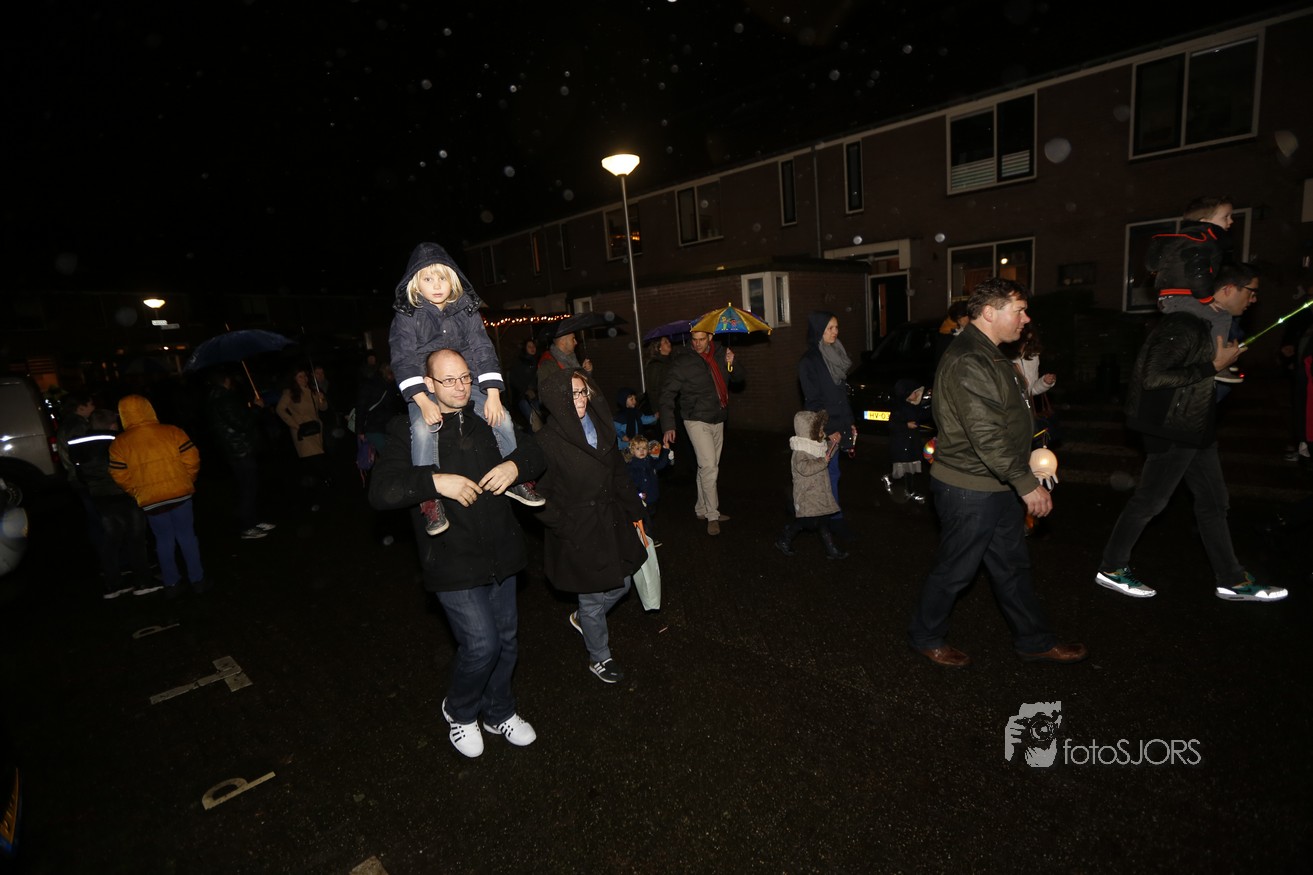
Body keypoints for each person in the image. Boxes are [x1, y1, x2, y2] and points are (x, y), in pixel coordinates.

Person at [368, 349, 546, 758]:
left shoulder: (488, 414)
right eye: (448, 380)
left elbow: (535, 451)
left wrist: (515, 468)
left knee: (507, 641)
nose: (461, 387)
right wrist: (436, 482)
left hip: (501, 551)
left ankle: (500, 711)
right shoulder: (407, 428)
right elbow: (381, 491)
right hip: (451, 558)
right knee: (482, 644)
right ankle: (461, 711)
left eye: (465, 377)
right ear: (428, 384)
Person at [907, 278, 1087, 668]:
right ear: (990, 312)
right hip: (971, 490)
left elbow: (1006, 420)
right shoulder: (970, 360)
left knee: (1012, 567)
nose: (1026, 318)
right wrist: (1026, 484)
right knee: (956, 571)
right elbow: (986, 435)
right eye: (1019, 310)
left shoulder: (989, 354)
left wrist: (1026, 461)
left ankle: (1034, 641)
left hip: (996, 483)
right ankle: (925, 636)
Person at [1095, 263, 1287, 602]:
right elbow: (1154, 377)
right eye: (1251, 291)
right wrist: (1213, 366)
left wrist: (1221, 369)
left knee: (1214, 502)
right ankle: (1111, 567)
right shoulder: (1183, 324)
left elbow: (1195, 372)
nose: (1254, 300)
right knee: (1151, 500)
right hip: (1172, 426)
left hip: (1197, 423)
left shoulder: (1209, 324)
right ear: (1228, 290)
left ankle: (1232, 579)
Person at [389, 242, 544, 538]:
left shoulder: (466, 310)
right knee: (422, 429)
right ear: (415, 283)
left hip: (466, 381)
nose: (437, 285)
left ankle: (515, 478)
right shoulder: (407, 316)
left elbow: (483, 349)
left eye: (442, 278)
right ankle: (429, 499)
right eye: (428, 279)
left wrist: (493, 394)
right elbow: (402, 359)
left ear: (453, 279)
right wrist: (422, 400)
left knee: (503, 419)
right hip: (426, 386)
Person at [536, 369, 647, 684]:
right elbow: (538, 495)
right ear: (557, 398)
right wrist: (565, 525)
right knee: (593, 599)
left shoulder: (602, 427)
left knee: (623, 584)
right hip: (579, 531)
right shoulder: (547, 441)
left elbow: (618, 475)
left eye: (583, 391)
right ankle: (599, 657)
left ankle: (583, 618)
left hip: (610, 522)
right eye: (572, 393)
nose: (580, 399)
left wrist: (636, 511)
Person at [109, 394, 207, 598]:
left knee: (163, 539)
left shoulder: (120, 443)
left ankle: (172, 583)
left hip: (151, 499)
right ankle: (197, 580)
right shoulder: (172, 431)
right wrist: (186, 479)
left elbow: (119, 475)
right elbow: (192, 458)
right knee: (187, 536)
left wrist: (137, 491)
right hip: (180, 494)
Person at [1147, 195, 1240, 385]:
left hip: (1171, 296)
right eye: (1226, 217)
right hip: (1182, 297)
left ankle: (1213, 352)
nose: (1231, 221)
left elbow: (1152, 265)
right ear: (1205, 221)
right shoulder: (1202, 241)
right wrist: (1206, 297)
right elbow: (1197, 271)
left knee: (1207, 321)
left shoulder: (1185, 240)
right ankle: (1218, 362)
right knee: (1221, 316)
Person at [66, 408, 158, 598]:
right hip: (124, 494)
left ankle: (113, 584)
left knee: (111, 538)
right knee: (136, 538)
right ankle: (143, 581)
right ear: (113, 425)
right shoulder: (118, 441)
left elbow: (78, 471)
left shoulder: (78, 444)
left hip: (99, 496)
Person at [659, 330, 742, 535]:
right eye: (694, 340)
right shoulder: (683, 361)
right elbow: (667, 393)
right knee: (709, 466)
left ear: (710, 337)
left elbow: (739, 379)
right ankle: (712, 515)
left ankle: (701, 508)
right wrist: (668, 425)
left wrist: (733, 363)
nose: (697, 344)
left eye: (701, 339)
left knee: (707, 466)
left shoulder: (721, 354)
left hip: (718, 417)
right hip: (695, 418)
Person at [797, 311, 857, 532]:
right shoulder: (809, 361)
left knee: (833, 473)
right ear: (818, 331)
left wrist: (850, 422)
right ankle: (832, 520)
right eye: (830, 328)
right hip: (824, 428)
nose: (835, 332)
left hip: (840, 423)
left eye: (836, 327)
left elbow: (841, 395)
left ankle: (828, 518)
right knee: (828, 473)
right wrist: (828, 429)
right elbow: (813, 401)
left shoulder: (835, 353)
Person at [207, 369, 276, 540]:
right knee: (248, 487)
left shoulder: (220, 398)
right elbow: (241, 423)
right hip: (239, 450)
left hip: (237, 449)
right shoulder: (223, 399)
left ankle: (253, 521)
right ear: (226, 380)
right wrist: (257, 408)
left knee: (249, 486)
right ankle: (247, 526)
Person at [774, 409, 848, 560]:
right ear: (808, 431)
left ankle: (832, 550)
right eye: (818, 429)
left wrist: (834, 444)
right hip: (807, 495)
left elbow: (826, 454)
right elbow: (805, 468)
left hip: (819, 493)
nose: (822, 432)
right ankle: (783, 540)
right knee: (803, 523)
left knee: (823, 524)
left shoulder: (816, 445)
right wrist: (823, 462)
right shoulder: (800, 451)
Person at [276, 367, 331, 510]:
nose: (304, 379)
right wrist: (294, 424)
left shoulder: (313, 391)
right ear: (294, 379)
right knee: (316, 461)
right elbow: (280, 409)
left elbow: (323, 408)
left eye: (305, 376)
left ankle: (318, 491)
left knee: (316, 461)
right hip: (303, 432)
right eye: (300, 376)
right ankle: (322, 487)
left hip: (315, 430)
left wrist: (322, 399)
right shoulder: (290, 393)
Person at [882, 379, 931, 504]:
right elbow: (892, 425)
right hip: (901, 444)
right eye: (914, 392)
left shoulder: (914, 406)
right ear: (907, 394)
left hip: (911, 444)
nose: (916, 395)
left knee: (909, 470)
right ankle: (892, 480)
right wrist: (906, 425)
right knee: (903, 470)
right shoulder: (898, 408)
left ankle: (909, 490)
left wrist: (934, 408)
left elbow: (923, 415)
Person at [354, 360, 403, 455]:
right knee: (387, 455)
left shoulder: (390, 385)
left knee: (387, 455)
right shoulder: (373, 384)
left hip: (384, 427)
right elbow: (361, 407)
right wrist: (360, 430)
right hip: (374, 427)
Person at [623, 438, 670, 534]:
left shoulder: (650, 460)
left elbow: (660, 465)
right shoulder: (631, 466)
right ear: (632, 451)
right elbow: (629, 483)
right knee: (644, 520)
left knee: (651, 514)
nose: (642, 451)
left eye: (644, 448)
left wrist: (665, 450)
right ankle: (646, 536)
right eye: (638, 449)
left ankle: (647, 532)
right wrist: (638, 493)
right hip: (640, 499)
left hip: (652, 496)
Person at [506, 337, 542, 431]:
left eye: (533, 346)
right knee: (533, 422)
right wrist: (526, 390)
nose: (532, 348)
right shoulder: (519, 362)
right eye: (529, 346)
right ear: (525, 348)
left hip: (537, 396)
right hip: (523, 398)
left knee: (538, 423)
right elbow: (514, 379)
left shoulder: (538, 360)